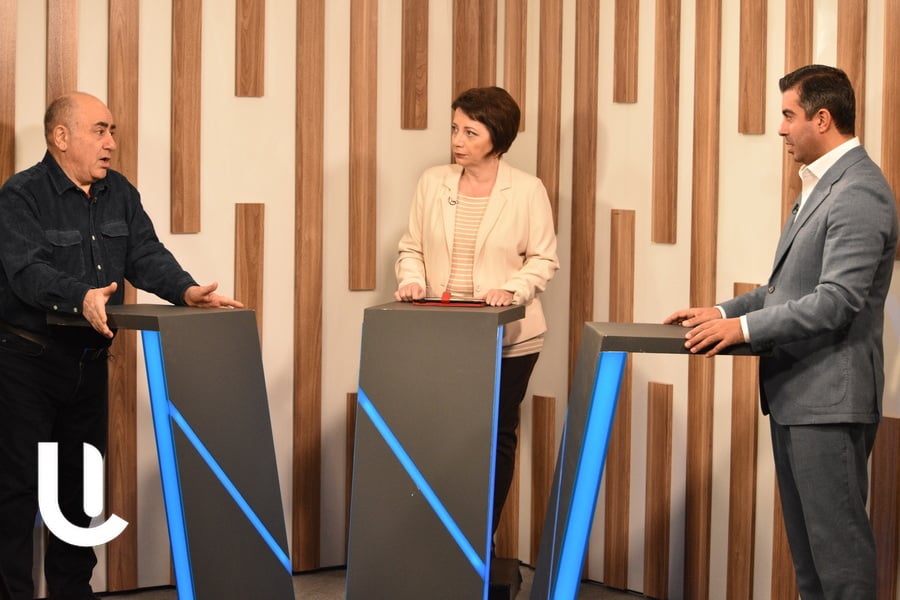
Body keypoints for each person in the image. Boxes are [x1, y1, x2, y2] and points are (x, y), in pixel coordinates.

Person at [665, 65, 898, 599]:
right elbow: (787, 290)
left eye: (789, 115)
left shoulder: (859, 191)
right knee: (811, 564)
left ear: (823, 118)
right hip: (798, 397)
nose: (781, 128)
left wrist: (742, 328)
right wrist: (719, 312)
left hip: (829, 403)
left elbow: (836, 301)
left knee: (839, 563)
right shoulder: (821, 185)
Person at [0, 92, 243, 600]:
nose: (111, 142)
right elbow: (27, 272)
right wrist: (80, 296)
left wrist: (185, 290)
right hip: (26, 365)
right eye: (100, 130)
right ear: (60, 137)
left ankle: (72, 593)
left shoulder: (119, 192)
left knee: (77, 491)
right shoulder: (21, 195)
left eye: (112, 131)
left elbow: (145, 253)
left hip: (88, 364)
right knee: (15, 493)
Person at [394, 86, 559, 546]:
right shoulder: (433, 182)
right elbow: (411, 248)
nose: (457, 140)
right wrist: (412, 280)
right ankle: (440, 542)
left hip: (510, 339)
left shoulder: (527, 190)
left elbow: (543, 259)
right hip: (444, 335)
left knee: (494, 436)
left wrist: (511, 290)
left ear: (497, 137)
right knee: (442, 435)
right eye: (454, 129)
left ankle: (480, 542)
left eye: (470, 131)